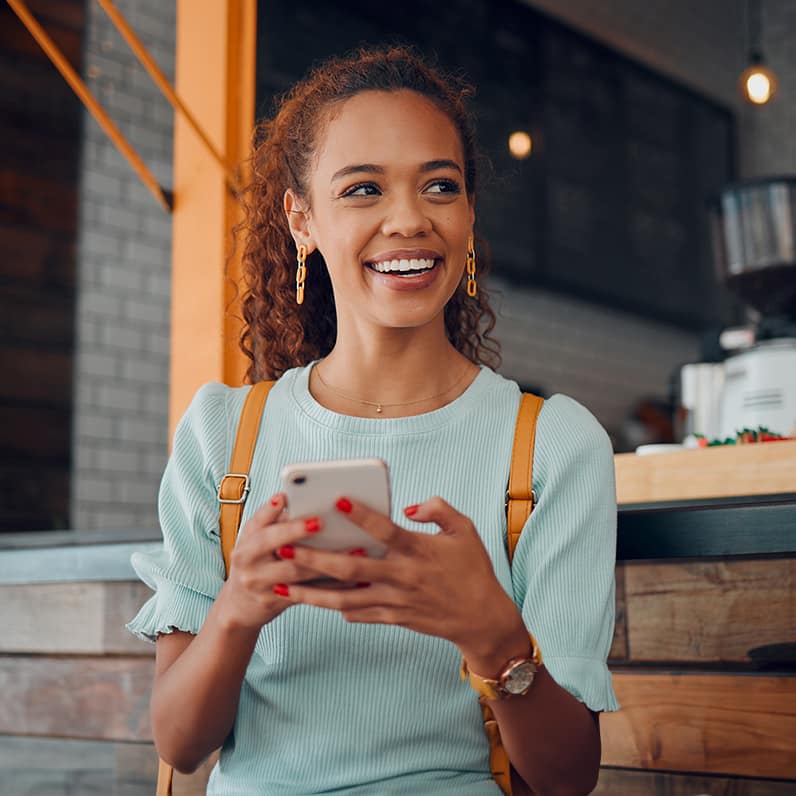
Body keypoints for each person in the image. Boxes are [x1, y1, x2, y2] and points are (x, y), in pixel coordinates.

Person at [127, 45, 619, 795]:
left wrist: (495, 638)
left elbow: (566, 777)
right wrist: (237, 610)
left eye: (440, 187)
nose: (408, 220)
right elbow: (181, 743)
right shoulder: (222, 435)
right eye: (362, 189)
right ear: (302, 219)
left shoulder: (552, 445)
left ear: (468, 214)